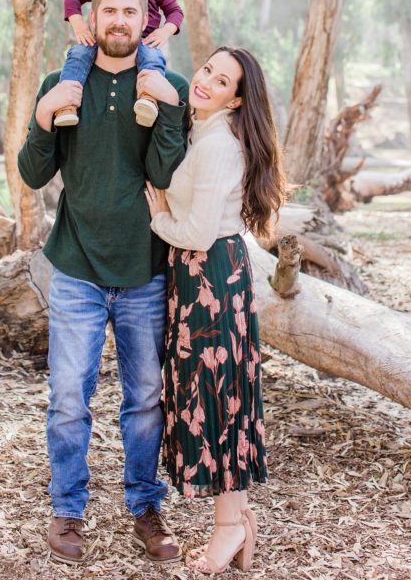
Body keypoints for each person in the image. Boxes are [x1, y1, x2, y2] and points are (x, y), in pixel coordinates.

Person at [17, 0, 189, 566]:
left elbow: (167, 176)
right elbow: (34, 174)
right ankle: (68, 511)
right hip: (76, 270)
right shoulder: (62, 83)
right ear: (90, 19)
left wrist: (168, 111)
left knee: (144, 398)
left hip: (145, 270)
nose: (117, 21)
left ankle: (145, 507)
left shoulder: (168, 85)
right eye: (107, 11)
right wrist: (44, 116)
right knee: (69, 397)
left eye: (128, 12)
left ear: (146, 20)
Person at [145, 47, 287, 575]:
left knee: (217, 398)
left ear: (238, 97)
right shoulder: (206, 130)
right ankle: (240, 520)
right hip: (206, 277)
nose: (204, 81)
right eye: (206, 69)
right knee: (219, 393)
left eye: (220, 79)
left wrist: (159, 215)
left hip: (209, 278)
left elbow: (197, 231)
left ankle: (228, 528)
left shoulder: (219, 146)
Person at [55, 0, 183, 128]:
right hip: (105, 40)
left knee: (152, 59)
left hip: (142, 41)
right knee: (78, 55)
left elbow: (175, 11)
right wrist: (78, 23)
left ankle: (148, 100)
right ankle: (67, 104)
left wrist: (164, 32)